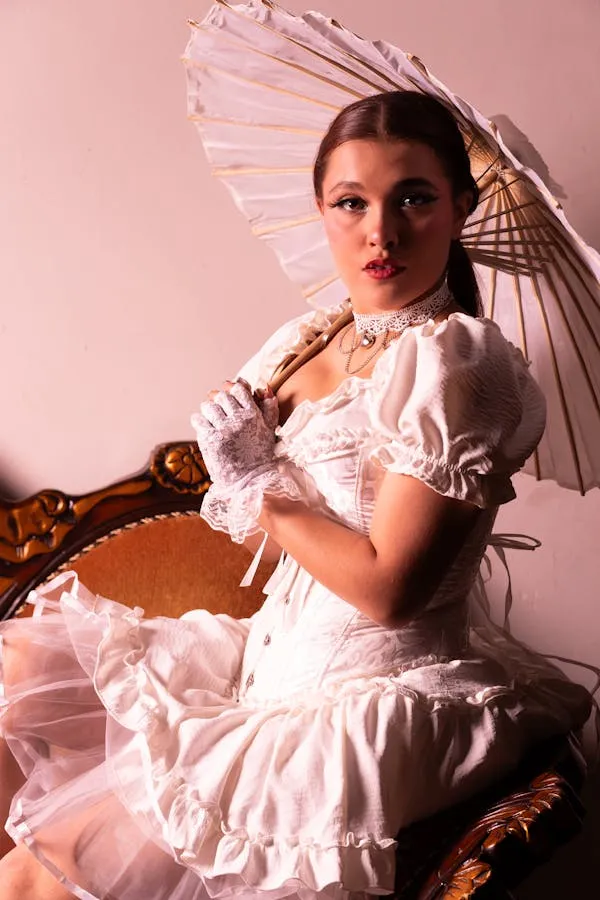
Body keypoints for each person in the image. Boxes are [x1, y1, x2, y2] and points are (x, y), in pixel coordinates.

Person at [0, 91, 593, 900]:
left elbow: (388, 592)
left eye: (413, 198)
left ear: (461, 209)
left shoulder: (457, 363)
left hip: (367, 702)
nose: (380, 232)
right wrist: (242, 474)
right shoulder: (308, 340)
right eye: (352, 202)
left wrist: (260, 484)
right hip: (267, 668)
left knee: (32, 878)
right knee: (16, 665)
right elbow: (277, 559)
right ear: (321, 210)